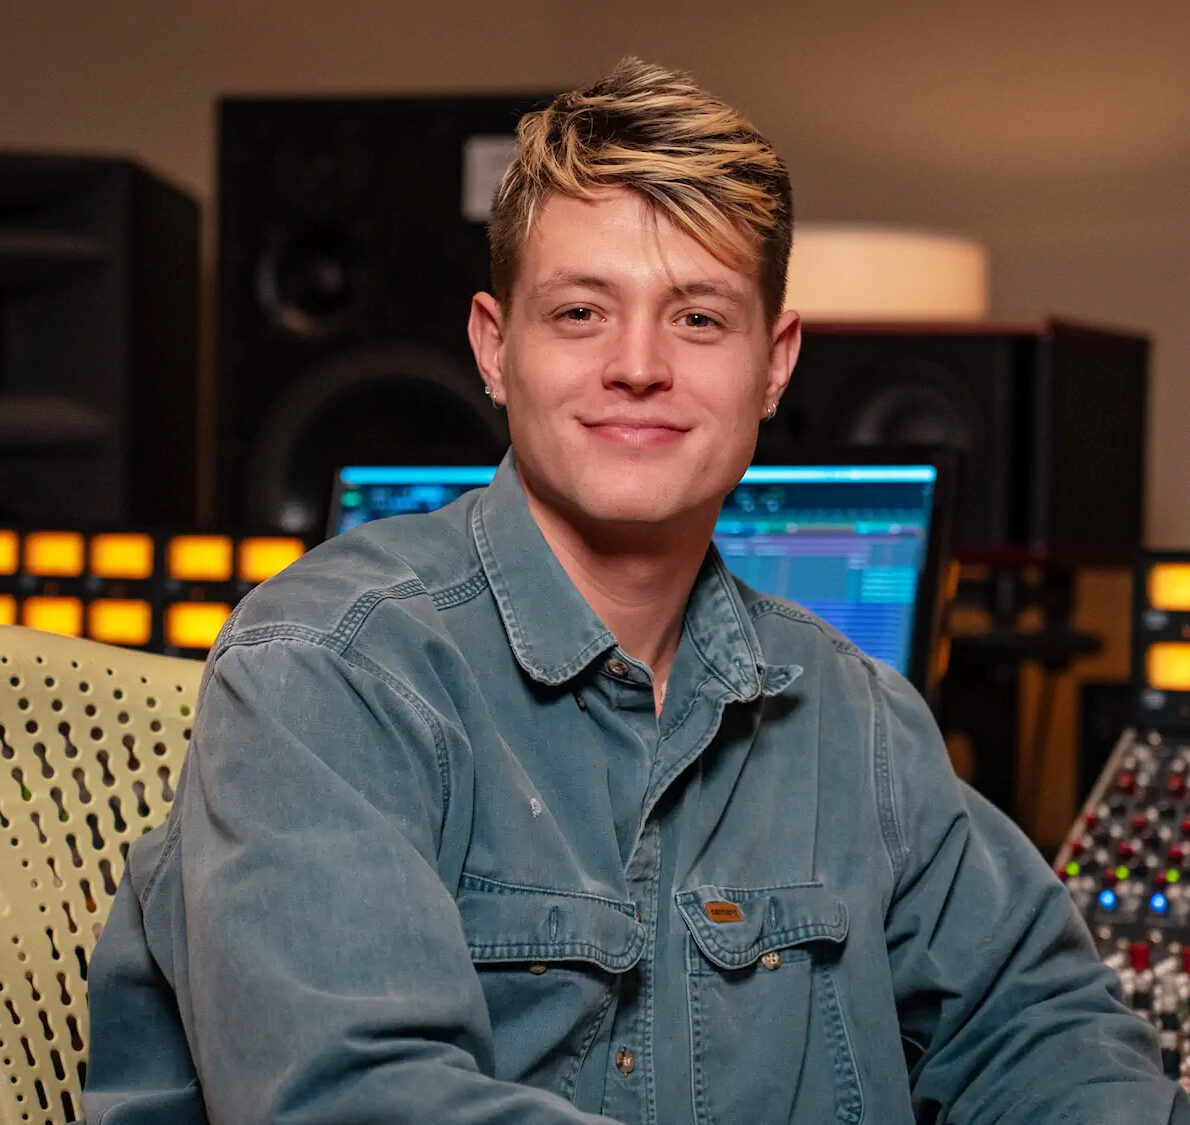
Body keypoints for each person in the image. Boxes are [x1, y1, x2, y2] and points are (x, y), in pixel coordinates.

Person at [83, 58, 1187, 1124]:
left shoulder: (854, 716)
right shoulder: (327, 672)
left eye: (698, 317)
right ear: (494, 346)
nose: (639, 366)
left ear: (774, 363)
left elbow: (1041, 1033)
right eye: (579, 313)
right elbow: (352, 1101)